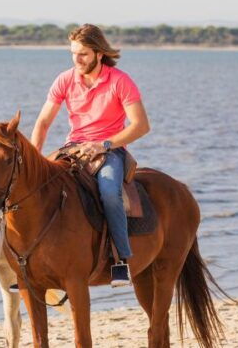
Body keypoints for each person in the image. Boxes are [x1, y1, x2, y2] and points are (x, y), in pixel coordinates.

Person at [30, 24, 150, 287]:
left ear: (98, 53)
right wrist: (33, 160)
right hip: (72, 148)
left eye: (83, 54)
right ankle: (29, 263)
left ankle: (121, 259)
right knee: (36, 188)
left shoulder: (120, 81)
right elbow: (42, 123)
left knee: (109, 192)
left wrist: (103, 145)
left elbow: (141, 125)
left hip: (110, 150)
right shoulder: (65, 79)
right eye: (73, 53)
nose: (77, 60)